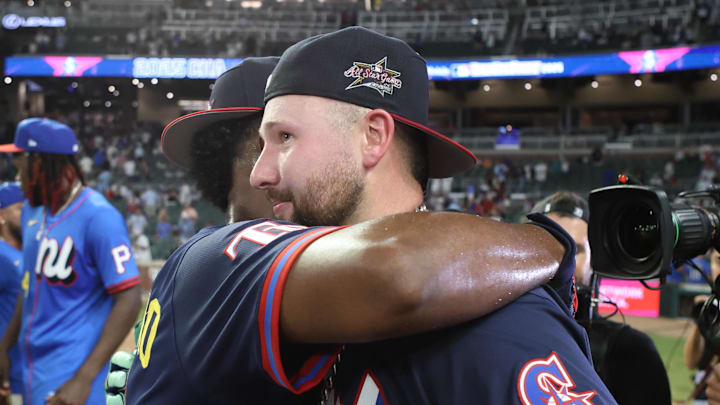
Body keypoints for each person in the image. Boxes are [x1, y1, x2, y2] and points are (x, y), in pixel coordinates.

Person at [125, 29, 611, 404]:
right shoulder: (336, 297)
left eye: (285, 138)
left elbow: (401, 271)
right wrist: (550, 242)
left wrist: (554, 242)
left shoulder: (497, 325)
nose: (259, 173)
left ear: (374, 137)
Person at [0, 118, 142, 405]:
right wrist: (4, 348)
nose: (18, 178)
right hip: (33, 370)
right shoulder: (31, 211)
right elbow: (28, 287)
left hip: (72, 375)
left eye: (20, 166)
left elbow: (130, 298)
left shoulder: (98, 216)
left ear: (38, 162)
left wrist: (84, 378)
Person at [532, 191, 672, 405]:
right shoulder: (497, 335)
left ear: (595, 259)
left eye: (575, 249)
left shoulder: (631, 352)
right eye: (549, 244)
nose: (562, 260)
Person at [0, 183, 25, 404]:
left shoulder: (31, 251)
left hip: (31, 369)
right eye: (19, 209)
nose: (26, 215)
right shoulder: (2, 255)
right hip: (10, 372)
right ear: (1, 215)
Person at [687, 248, 720, 403]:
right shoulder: (710, 309)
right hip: (704, 396)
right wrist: (699, 321)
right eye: (719, 261)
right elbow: (691, 362)